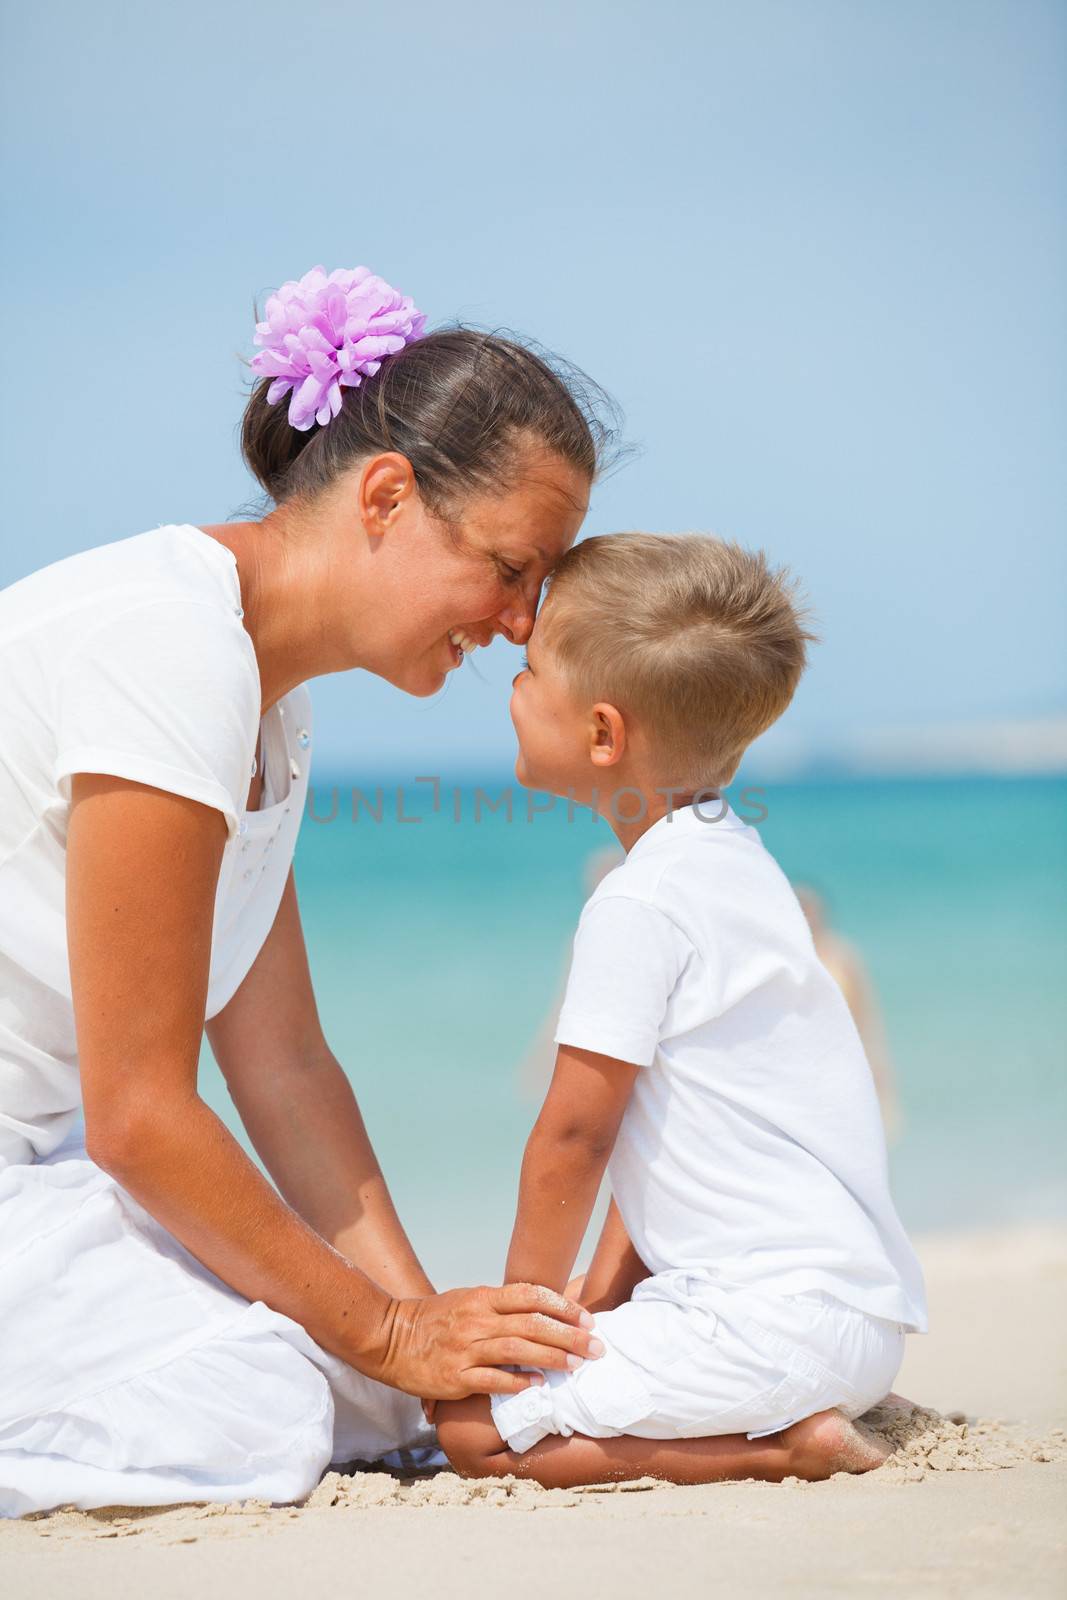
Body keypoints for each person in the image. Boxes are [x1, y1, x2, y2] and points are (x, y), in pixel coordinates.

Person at [0, 264, 613, 1517]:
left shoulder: (269, 700)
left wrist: (423, 1348)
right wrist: (387, 1333)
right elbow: (137, 1110)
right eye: (508, 568)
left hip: (44, 1167)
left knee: (367, 1395)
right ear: (386, 495)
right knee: (273, 1398)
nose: (516, 623)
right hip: (55, 1162)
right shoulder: (167, 647)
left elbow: (282, 1065)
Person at [435, 532, 928, 1487]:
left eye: (531, 670)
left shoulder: (636, 901)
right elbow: (652, 1138)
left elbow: (574, 1137)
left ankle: (786, 1445)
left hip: (763, 1329)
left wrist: (519, 1325)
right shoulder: (737, 863)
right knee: (586, 1346)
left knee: (470, 1426)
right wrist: (604, 1303)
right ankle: (806, 1405)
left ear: (603, 735)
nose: (511, 683)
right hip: (850, 1321)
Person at [793, 885, 903, 1140]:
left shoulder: (842, 954)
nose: (808, 917)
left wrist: (876, 1064)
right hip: (804, 1060)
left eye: (810, 910)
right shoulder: (788, 958)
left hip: (845, 1055)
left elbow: (865, 1012)